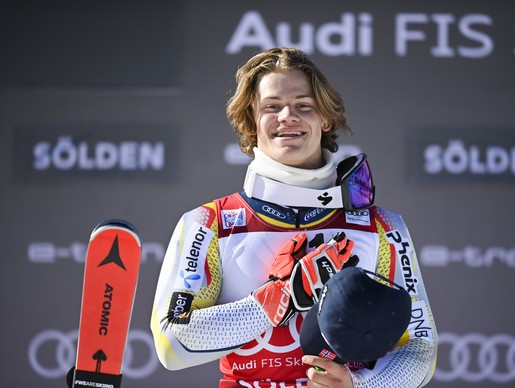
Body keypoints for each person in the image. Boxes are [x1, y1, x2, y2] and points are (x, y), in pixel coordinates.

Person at [150, 47, 438, 387]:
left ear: (325, 119)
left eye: (304, 105)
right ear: (250, 119)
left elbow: (421, 346)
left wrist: (361, 384)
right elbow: (171, 343)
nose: (288, 116)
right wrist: (279, 297)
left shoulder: (382, 228)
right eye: (272, 106)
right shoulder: (210, 223)